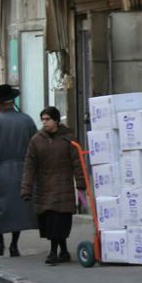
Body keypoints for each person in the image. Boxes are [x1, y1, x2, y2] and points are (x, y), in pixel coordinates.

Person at [22, 107, 86, 265]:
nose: (45, 122)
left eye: (48, 119)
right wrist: (26, 188)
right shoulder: (36, 140)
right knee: (50, 221)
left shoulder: (68, 138)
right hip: (44, 187)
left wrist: (81, 184)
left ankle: (53, 252)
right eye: (43, 119)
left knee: (60, 220)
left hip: (63, 185)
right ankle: (63, 250)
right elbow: (29, 165)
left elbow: (77, 163)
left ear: (56, 120)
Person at [0, 84, 38, 256]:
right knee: (17, 210)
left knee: (0, 209)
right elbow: (35, 147)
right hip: (23, 171)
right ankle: (14, 244)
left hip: (0, 173)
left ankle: (0, 242)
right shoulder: (27, 120)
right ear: (12, 102)